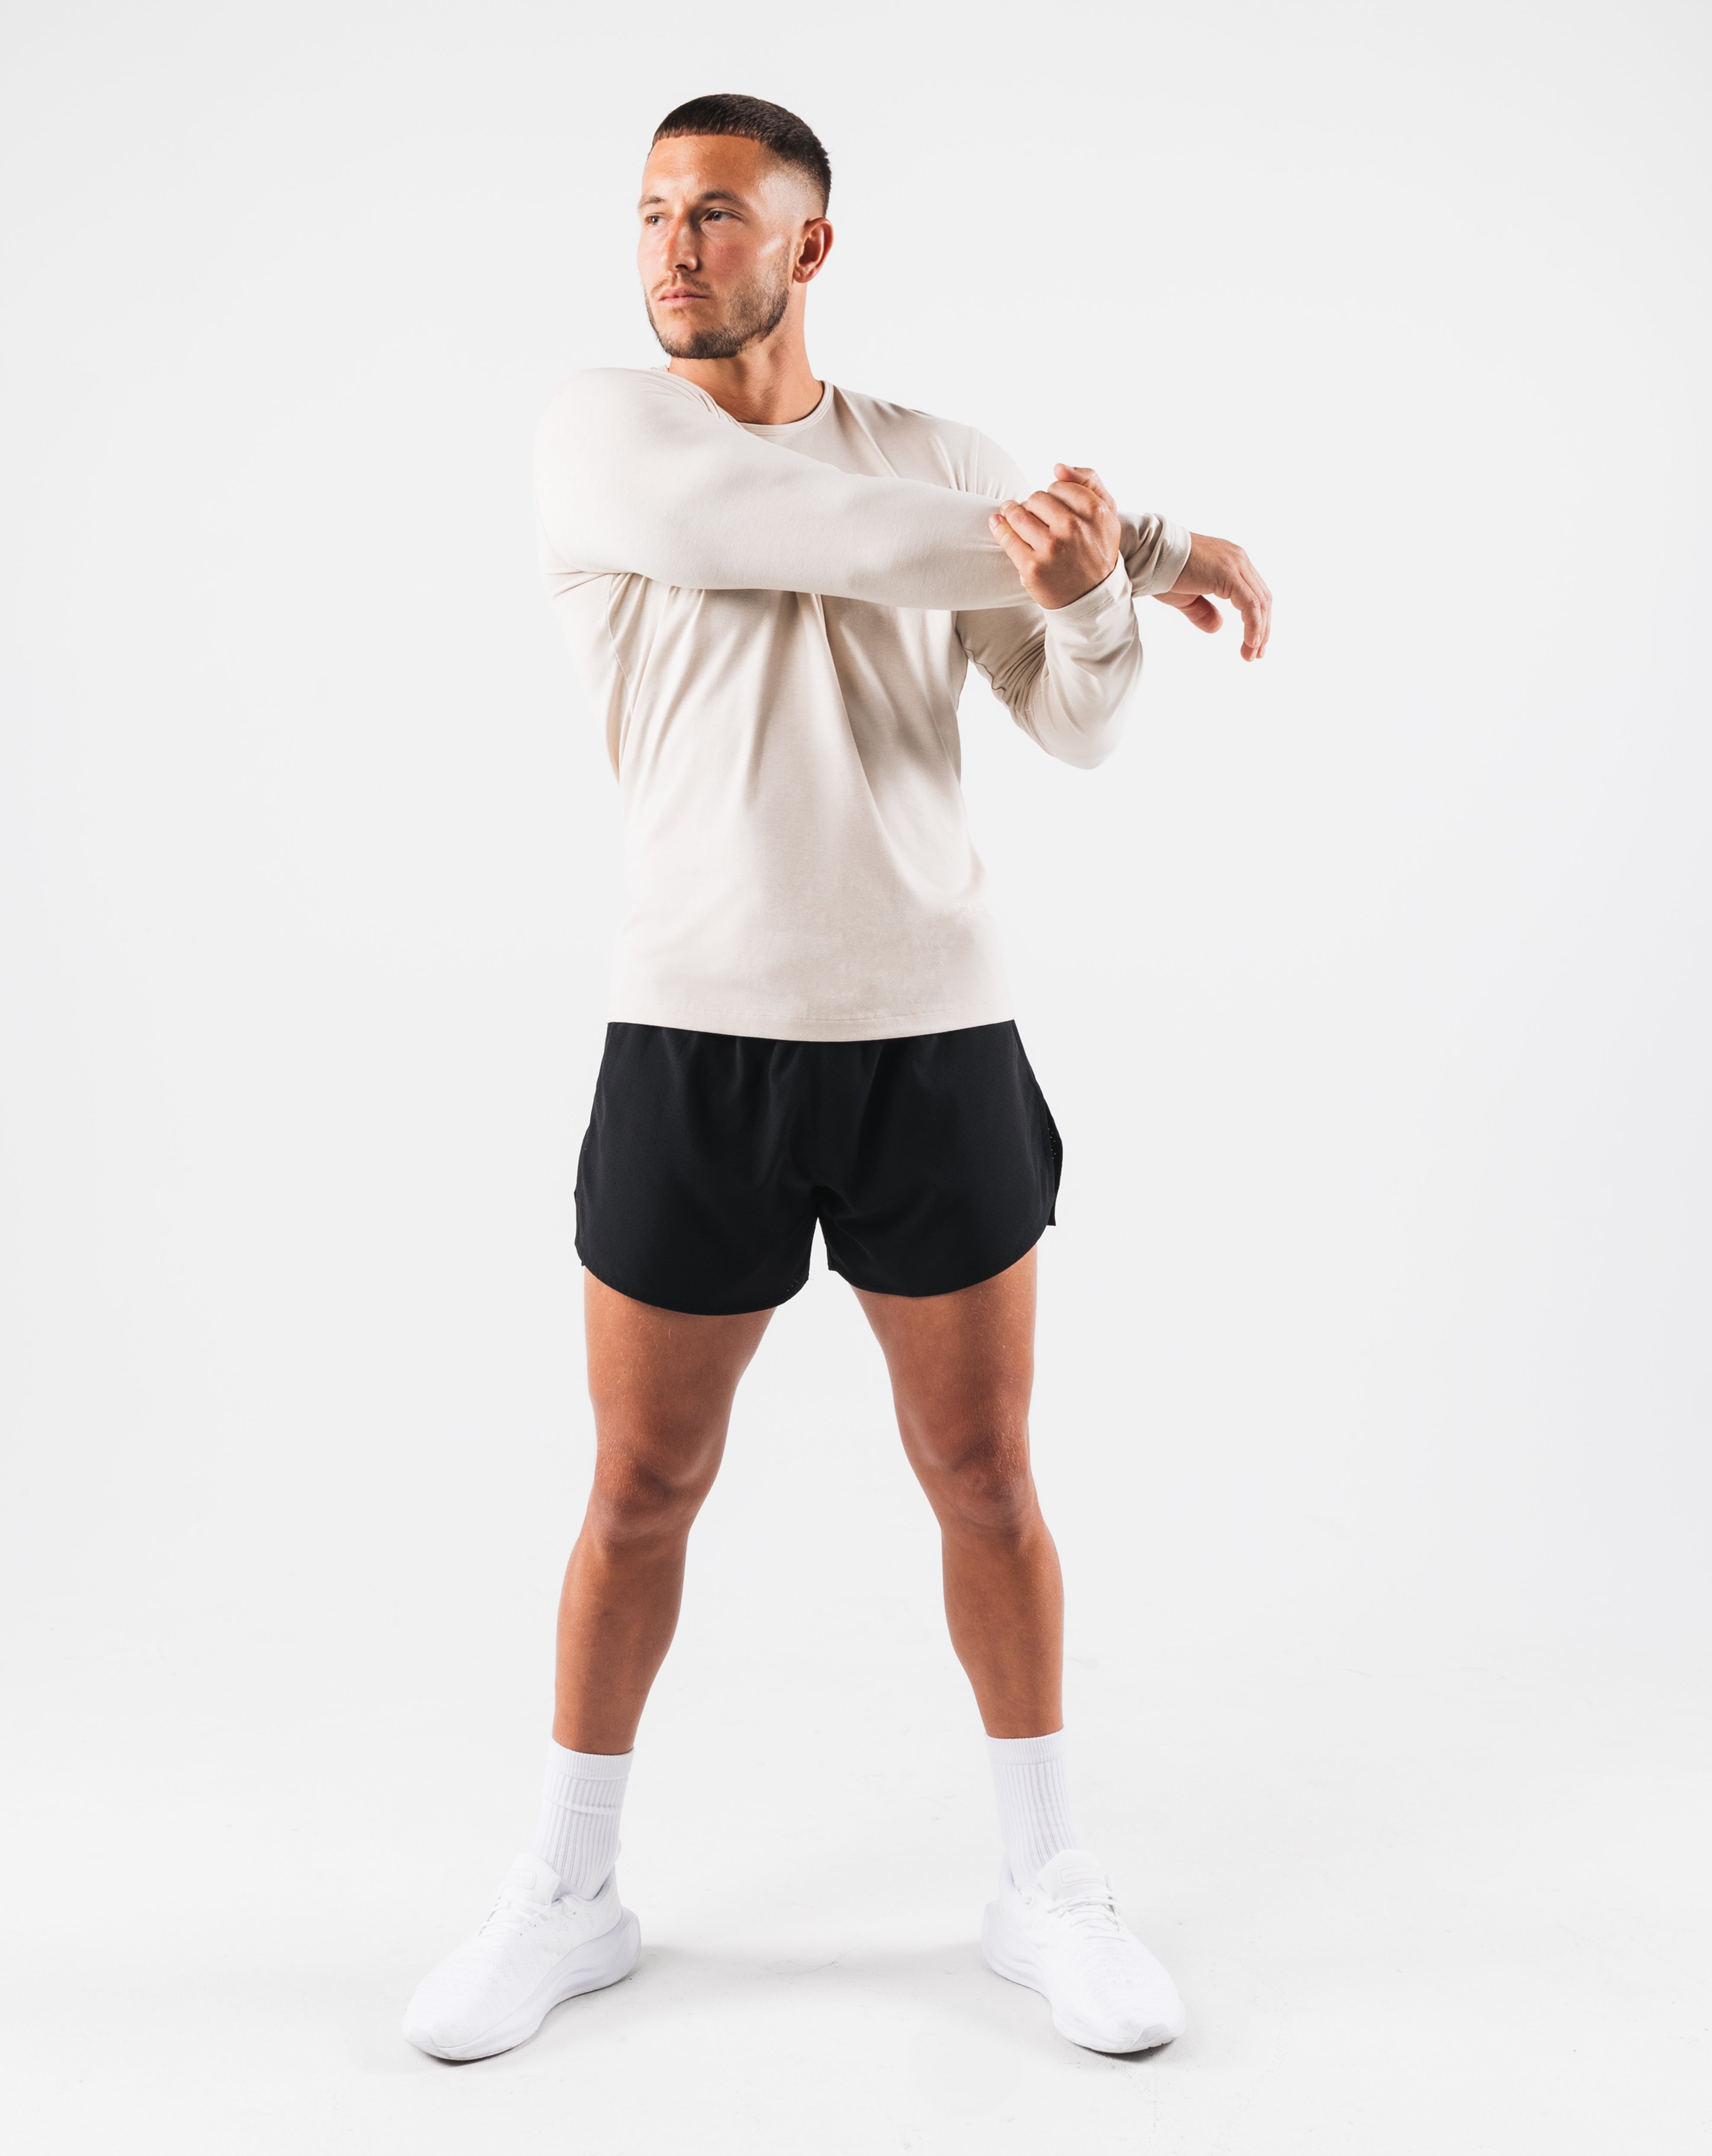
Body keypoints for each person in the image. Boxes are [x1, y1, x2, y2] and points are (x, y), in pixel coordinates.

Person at [403, 91, 1271, 2065]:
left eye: (718, 213)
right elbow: (803, 530)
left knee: (984, 1475)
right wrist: (1143, 538)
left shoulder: (949, 461)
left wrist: (1093, 599)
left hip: (930, 1037)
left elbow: (1076, 722)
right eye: (651, 210)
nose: (672, 245)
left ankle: (1048, 1884)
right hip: (693, 1035)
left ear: (809, 244)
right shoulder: (604, 436)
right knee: (641, 1485)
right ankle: (569, 1891)